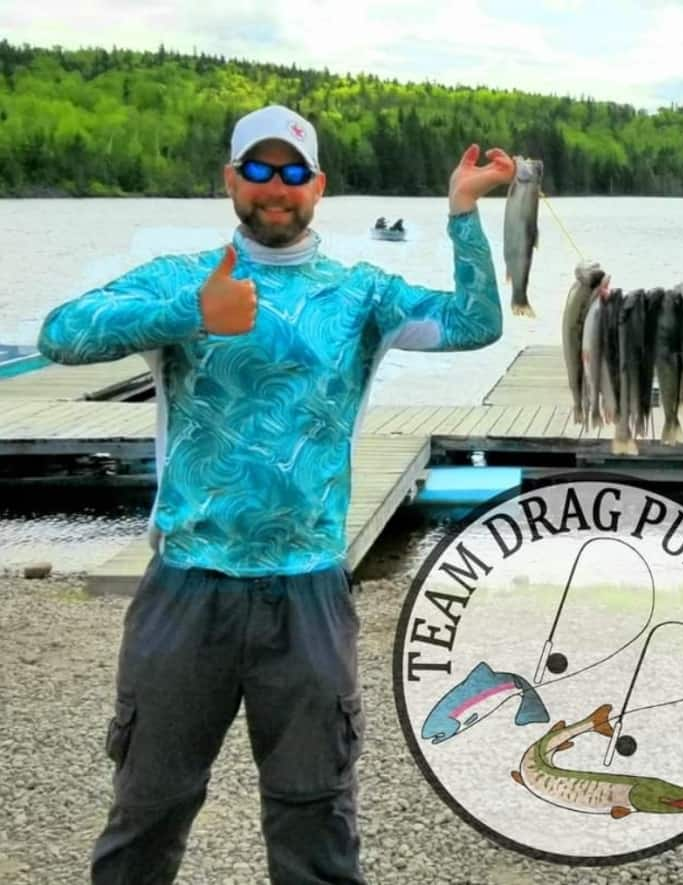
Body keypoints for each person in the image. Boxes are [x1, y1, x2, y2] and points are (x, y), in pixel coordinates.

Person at [38, 104, 514, 884]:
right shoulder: (187, 277)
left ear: (317, 185)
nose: (275, 187)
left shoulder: (359, 295)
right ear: (231, 179)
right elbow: (62, 332)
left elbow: (474, 322)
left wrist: (462, 211)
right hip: (187, 587)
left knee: (315, 820)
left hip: (308, 592)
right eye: (257, 170)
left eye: (292, 171)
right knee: (148, 810)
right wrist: (193, 312)